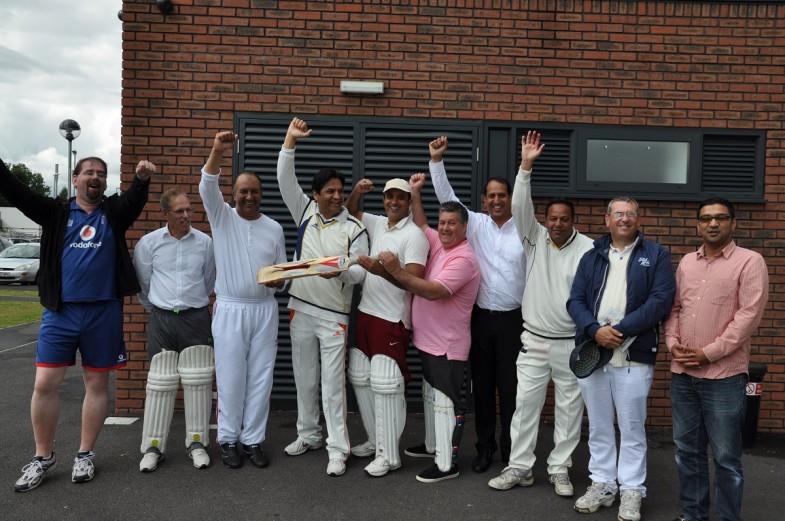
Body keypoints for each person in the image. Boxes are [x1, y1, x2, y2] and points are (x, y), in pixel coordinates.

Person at [3, 156, 156, 492]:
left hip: (103, 312)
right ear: (75, 179)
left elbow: (134, 200)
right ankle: (42, 457)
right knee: (44, 384)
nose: (96, 178)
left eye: (101, 174)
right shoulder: (55, 212)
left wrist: (141, 180)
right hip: (61, 313)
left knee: (96, 386)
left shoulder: (113, 213)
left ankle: (84, 454)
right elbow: (16, 191)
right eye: (89, 173)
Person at [487, 131, 593, 496]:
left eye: (564, 218)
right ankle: (520, 467)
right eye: (552, 218)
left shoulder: (590, 249)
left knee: (568, 411)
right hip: (533, 340)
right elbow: (519, 206)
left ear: (572, 220)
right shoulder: (533, 237)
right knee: (524, 408)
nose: (558, 224)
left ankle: (560, 469)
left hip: (572, 344)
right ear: (544, 219)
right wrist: (525, 167)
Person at [566, 196, 675, 521]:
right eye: (618, 214)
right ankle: (602, 484)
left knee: (631, 428)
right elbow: (576, 300)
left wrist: (621, 330)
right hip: (594, 352)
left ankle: (631, 491)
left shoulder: (656, 255)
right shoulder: (592, 256)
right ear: (607, 220)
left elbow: (660, 301)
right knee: (599, 426)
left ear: (638, 220)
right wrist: (594, 330)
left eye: (630, 214)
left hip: (633, 356)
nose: (624, 219)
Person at [665, 198, 768, 521]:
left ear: (733, 223)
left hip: (724, 377)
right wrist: (672, 343)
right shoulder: (686, 263)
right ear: (697, 224)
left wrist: (707, 353)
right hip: (683, 374)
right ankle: (693, 515)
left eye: (720, 218)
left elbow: (748, 317)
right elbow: (675, 309)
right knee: (687, 452)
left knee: (726, 457)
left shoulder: (750, 262)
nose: (713, 224)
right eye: (706, 218)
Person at [276, 117, 369, 477]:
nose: (334, 196)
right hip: (300, 307)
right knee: (305, 378)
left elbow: (360, 272)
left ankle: (337, 448)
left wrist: (341, 271)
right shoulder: (304, 211)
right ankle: (308, 434)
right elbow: (285, 177)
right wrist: (290, 141)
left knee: (333, 386)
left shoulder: (354, 227)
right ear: (315, 195)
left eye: (338, 190)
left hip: (334, 315)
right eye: (328, 191)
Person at [428, 136, 525, 472]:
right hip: (481, 320)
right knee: (483, 388)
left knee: (511, 390)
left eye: (503, 195)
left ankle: (512, 452)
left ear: (511, 199)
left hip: (514, 321)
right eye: (492, 196)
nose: (497, 200)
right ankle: (484, 448)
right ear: (484, 200)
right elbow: (447, 199)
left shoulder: (525, 230)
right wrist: (437, 162)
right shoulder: (477, 225)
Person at [379, 173, 480, 483]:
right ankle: (433, 445)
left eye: (452, 223)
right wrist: (417, 193)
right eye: (443, 222)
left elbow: (432, 291)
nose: (445, 228)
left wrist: (396, 271)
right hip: (427, 341)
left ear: (465, 227)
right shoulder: (439, 242)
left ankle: (447, 463)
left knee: (446, 403)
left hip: (448, 345)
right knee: (431, 396)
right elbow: (422, 223)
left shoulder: (464, 258)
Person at [200, 131, 287, 469]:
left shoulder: (275, 228)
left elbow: (278, 273)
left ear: (261, 195)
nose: (249, 196)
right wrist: (217, 150)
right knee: (231, 376)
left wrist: (279, 281)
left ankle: (253, 440)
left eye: (254, 191)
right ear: (233, 194)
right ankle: (228, 440)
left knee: (261, 377)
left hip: (265, 310)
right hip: (231, 308)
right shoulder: (222, 218)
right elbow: (207, 184)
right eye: (243, 191)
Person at [344, 177, 429, 477]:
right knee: (360, 376)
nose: (394, 202)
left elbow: (415, 283)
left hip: (392, 318)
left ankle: (389, 455)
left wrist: (380, 269)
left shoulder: (415, 236)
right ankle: (374, 440)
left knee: (386, 383)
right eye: (389, 196)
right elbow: (351, 211)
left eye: (400, 197)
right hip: (366, 313)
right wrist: (356, 191)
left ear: (408, 202)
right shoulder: (379, 224)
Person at [133, 189, 216, 472]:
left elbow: (209, 281)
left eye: (189, 210)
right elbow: (143, 284)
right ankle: (153, 448)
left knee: (199, 381)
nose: (186, 216)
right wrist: (160, 308)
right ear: (165, 213)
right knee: (161, 382)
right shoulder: (149, 243)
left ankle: (197, 443)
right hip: (162, 318)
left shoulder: (205, 242)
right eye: (179, 211)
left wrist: (191, 305)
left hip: (195, 317)